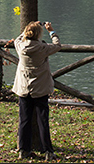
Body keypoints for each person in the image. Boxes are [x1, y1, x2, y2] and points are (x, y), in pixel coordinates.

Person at [12, 21, 61, 161]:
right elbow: (58, 45)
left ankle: (23, 149)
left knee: (24, 120)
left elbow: (17, 39)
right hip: (40, 89)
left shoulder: (21, 47)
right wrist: (52, 31)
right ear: (39, 34)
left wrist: (27, 29)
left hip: (24, 88)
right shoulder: (43, 48)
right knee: (43, 121)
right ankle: (48, 151)